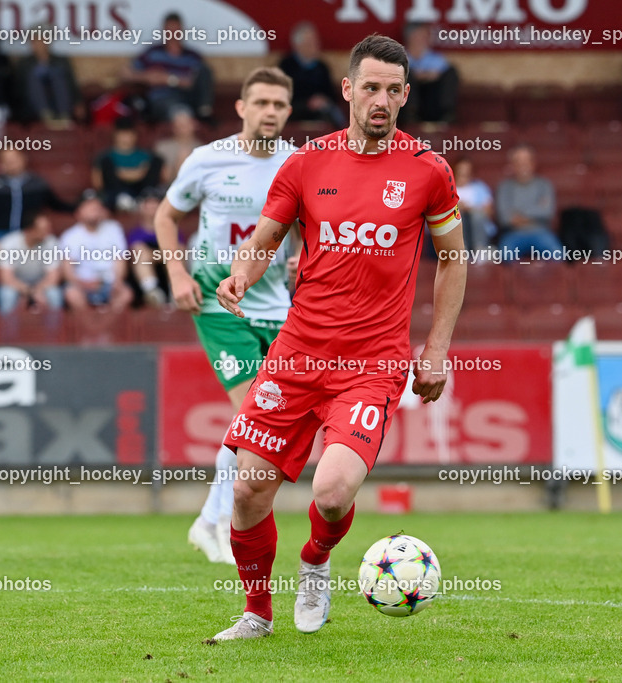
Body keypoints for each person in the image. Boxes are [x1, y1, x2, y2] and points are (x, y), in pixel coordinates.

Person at [208, 35, 466, 640]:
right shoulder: (304, 163)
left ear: (405, 96)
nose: (381, 99)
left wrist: (435, 351)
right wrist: (242, 273)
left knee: (331, 491)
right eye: (369, 87)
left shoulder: (428, 171)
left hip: (371, 363)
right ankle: (256, 613)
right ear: (348, 90)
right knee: (247, 488)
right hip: (296, 355)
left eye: (392, 90)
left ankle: (317, 561)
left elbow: (454, 260)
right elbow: (267, 237)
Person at [155, 67, 298, 567]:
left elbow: (308, 225)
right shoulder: (207, 160)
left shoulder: (299, 163)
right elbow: (165, 217)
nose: (270, 112)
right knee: (255, 413)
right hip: (219, 301)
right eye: (260, 103)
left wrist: (305, 255)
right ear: (241, 108)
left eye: (279, 105)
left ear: (288, 111)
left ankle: (209, 518)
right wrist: (177, 277)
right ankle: (216, 520)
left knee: (267, 421)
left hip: (278, 304)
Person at [123, 12, 215, 122]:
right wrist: (147, 76)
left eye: (176, 31)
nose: (172, 35)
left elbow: (196, 81)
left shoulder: (193, 56)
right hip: (162, 99)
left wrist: (168, 79)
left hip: (188, 98)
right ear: (163, 31)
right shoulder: (152, 53)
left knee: (204, 71)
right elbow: (125, 73)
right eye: (169, 31)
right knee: (180, 112)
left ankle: (204, 115)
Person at [60, 190, 134, 313]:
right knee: (72, 294)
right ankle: (89, 329)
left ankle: (108, 329)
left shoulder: (114, 229)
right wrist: (82, 284)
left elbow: (120, 260)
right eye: (89, 206)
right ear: (79, 212)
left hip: (109, 283)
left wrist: (117, 281)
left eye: (97, 206)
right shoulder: (70, 236)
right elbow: (67, 270)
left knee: (126, 294)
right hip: (83, 284)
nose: (94, 209)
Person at [495, 145, 562, 259]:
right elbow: (505, 218)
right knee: (505, 256)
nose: (523, 165)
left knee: (558, 254)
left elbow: (547, 212)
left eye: (526, 161)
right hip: (514, 233)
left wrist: (519, 214)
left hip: (541, 231)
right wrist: (535, 210)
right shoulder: (504, 187)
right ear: (512, 165)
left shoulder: (544, 185)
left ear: (533, 163)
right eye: (518, 162)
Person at [0, 212, 64, 314]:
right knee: (7, 294)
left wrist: (37, 290)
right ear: (29, 230)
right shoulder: (9, 243)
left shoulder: (51, 242)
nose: (47, 233)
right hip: (16, 284)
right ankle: (7, 329)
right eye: (43, 230)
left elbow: (53, 277)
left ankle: (55, 329)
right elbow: (6, 278)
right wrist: (29, 292)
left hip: (41, 283)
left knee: (54, 294)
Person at [278, 22, 344, 127]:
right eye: (309, 43)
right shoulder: (286, 66)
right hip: (295, 110)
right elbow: (282, 96)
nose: (315, 45)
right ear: (297, 45)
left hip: (320, 111)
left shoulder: (322, 67)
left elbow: (332, 95)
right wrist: (307, 103)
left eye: (316, 42)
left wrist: (322, 100)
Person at [92, 117, 163, 212]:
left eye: (129, 134)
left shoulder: (146, 155)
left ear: (135, 135)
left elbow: (161, 177)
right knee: (106, 163)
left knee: (156, 160)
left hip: (141, 190)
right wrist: (130, 174)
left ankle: (145, 200)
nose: (126, 138)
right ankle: (123, 200)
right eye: (122, 134)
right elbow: (98, 183)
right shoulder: (105, 156)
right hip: (116, 193)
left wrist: (126, 173)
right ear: (115, 135)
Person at [15, 31, 84, 125]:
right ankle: (47, 117)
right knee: (34, 77)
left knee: (57, 75)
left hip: (59, 102)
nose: (37, 44)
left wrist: (78, 102)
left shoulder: (61, 61)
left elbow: (72, 85)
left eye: (40, 40)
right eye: (34, 41)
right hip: (35, 107)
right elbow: (19, 90)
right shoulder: (24, 64)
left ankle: (63, 117)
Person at [401, 23, 458, 124]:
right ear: (409, 38)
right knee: (406, 75)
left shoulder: (436, 58)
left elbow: (442, 72)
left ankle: (446, 115)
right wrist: (422, 75)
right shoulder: (400, 57)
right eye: (418, 36)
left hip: (432, 99)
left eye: (425, 37)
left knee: (450, 72)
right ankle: (411, 115)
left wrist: (423, 76)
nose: (422, 40)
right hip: (410, 101)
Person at [127, 188, 170, 307]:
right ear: (142, 208)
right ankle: (152, 292)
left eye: (155, 204)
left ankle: (174, 292)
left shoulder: (172, 230)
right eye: (148, 204)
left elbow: (180, 252)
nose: (152, 208)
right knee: (139, 251)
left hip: (168, 274)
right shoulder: (135, 233)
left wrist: (152, 255)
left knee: (175, 252)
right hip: (143, 281)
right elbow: (136, 254)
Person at [453, 157, 496, 251]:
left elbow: (488, 211)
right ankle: (461, 250)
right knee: (457, 214)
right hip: (457, 229)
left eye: (467, 173)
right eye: (461, 173)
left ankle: (480, 249)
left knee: (477, 215)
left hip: (478, 227)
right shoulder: (449, 190)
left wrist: (470, 209)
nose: (464, 176)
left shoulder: (480, 187)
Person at [154, 106, 201, 185]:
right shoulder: (162, 147)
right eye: (178, 125)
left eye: (185, 124)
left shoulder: (202, 148)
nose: (181, 128)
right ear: (173, 127)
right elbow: (163, 178)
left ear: (194, 125)